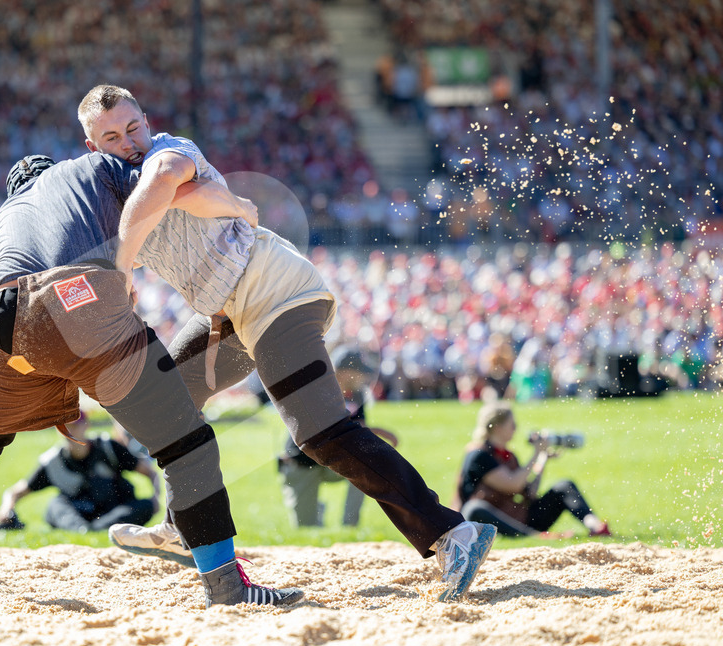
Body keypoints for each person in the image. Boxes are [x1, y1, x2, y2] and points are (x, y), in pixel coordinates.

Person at [78, 84, 495, 602]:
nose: (128, 142)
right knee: (169, 400)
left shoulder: (167, 151)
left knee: (321, 433)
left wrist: (125, 264)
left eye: (133, 128)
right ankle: (185, 525)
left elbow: (163, 180)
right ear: (93, 147)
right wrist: (218, 203)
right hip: (230, 313)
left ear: (147, 121)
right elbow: (149, 216)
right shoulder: (122, 199)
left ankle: (452, 532)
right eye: (112, 138)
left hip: (276, 294)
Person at [0, 151, 302, 608]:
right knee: (186, 444)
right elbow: (172, 186)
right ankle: (227, 588)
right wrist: (239, 205)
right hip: (81, 300)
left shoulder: (3, 218)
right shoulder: (91, 169)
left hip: (3, 318)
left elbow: (29, 297)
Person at [277, 346, 399, 528]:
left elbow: (359, 429)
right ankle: (316, 507)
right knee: (306, 526)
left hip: (331, 459)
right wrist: (380, 432)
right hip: (301, 463)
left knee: (366, 465)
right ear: (344, 372)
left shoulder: (356, 394)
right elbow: (325, 429)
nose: (363, 377)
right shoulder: (315, 389)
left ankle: (350, 524)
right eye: (359, 372)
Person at [452, 402, 612, 538]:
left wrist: (542, 458)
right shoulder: (479, 455)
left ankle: (595, 526)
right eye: (512, 425)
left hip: (517, 517)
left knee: (564, 486)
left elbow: (530, 493)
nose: (515, 429)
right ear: (498, 428)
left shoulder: (509, 456)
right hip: (488, 519)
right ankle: (534, 536)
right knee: (474, 508)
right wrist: (535, 454)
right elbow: (512, 484)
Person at [0, 412, 160, 533]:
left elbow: (150, 473)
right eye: (64, 427)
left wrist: (156, 497)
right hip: (79, 513)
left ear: (86, 425)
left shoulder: (108, 447)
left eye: (75, 425)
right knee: (55, 506)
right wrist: (6, 510)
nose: (69, 431)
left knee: (145, 505)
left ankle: (94, 529)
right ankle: (86, 530)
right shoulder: (52, 462)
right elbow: (15, 492)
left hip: (114, 508)